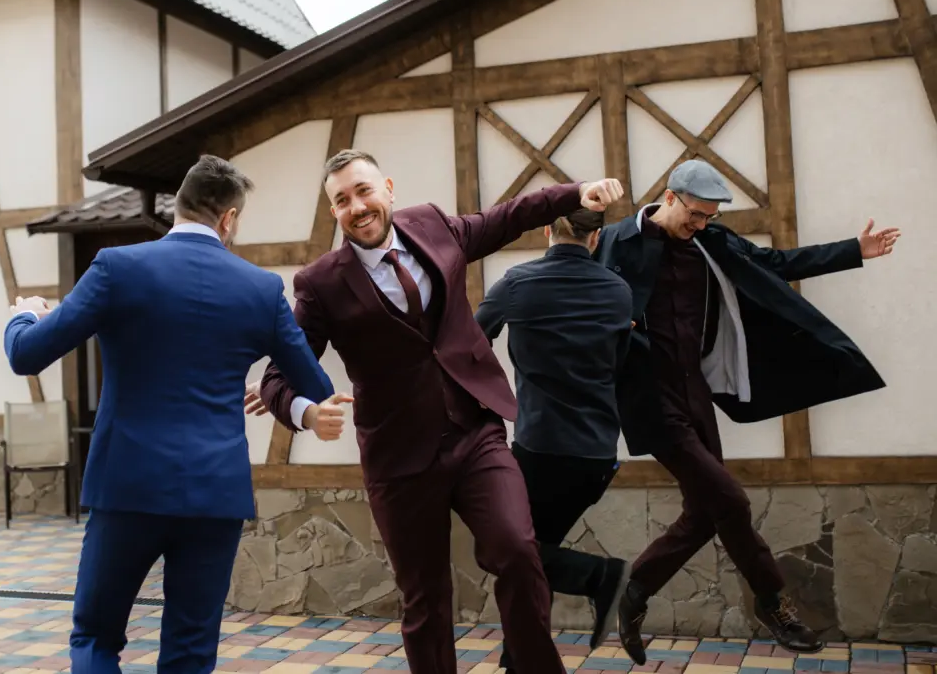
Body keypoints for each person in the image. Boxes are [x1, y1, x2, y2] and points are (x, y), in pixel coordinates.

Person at [244, 148, 624, 673]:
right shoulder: (321, 283)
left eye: (364, 190)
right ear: (334, 212)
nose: (357, 206)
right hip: (399, 459)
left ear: (389, 189)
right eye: (342, 200)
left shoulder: (433, 226)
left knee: (517, 550)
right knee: (426, 599)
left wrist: (572, 193)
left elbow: (507, 216)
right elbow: (279, 373)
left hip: (475, 432)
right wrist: (305, 412)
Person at [3, 154, 335, 674]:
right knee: (190, 650)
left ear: (176, 206)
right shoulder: (262, 289)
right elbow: (315, 384)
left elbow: (26, 354)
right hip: (215, 495)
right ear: (228, 219)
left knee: (95, 635)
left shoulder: (116, 267)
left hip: (127, 485)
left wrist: (26, 314)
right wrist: (278, 396)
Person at [592, 159, 899, 663]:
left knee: (705, 511)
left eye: (708, 217)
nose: (701, 225)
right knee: (730, 502)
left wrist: (852, 251)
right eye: (695, 214)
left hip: (697, 393)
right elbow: (584, 304)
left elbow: (772, 265)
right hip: (650, 399)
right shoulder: (616, 243)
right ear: (669, 198)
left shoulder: (710, 242)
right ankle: (776, 605)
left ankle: (633, 591)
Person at [473, 207, 635, 672]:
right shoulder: (618, 291)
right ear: (596, 237)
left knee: (499, 550)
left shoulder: (518, 283)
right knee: (526, 563)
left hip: (540, 451)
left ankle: (601, 575)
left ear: (547, 229)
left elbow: (469, 343)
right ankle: (516, 659)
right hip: (598, 455)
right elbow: (618, 365)